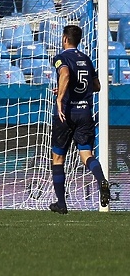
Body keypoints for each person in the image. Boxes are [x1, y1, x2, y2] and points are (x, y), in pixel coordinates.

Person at [49, 25, 111, 214]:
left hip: (66, 113)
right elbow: (97, 85)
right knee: (86, 155)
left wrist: (60, 97)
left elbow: (66, 73)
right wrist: (69, 88)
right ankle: (101, 180)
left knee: (58, 158)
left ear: (65, 39)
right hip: (85, 114)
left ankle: (61, 203)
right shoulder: (86, 59)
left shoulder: (61, 58)